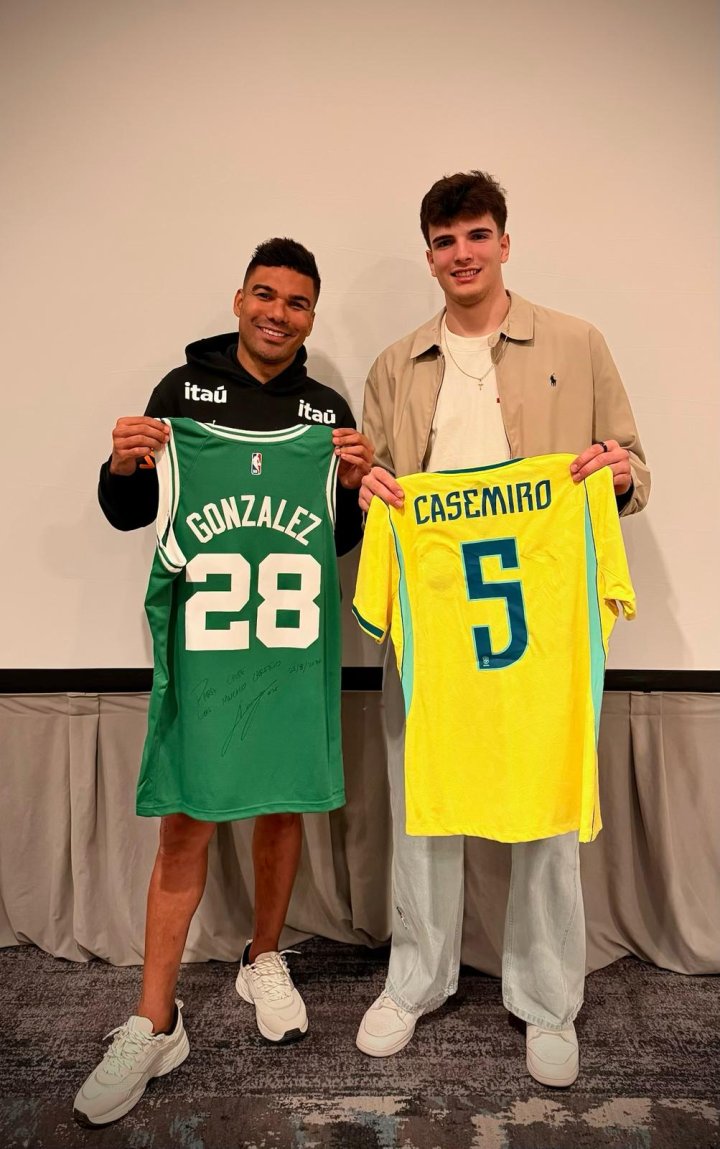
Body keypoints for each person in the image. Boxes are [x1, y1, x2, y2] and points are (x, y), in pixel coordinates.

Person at [356, 171, 649, 1087]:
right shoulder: (394, 366)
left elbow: (635, 467)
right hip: (435, 628)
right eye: (444, 242)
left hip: (545, 630)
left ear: (505, 242)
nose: (463, 254)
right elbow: (373, 489)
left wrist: (618, 474)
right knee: (423, 809)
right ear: (430, 255)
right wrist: (364, 492)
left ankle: (548, 998)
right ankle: (414, 981)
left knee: (548, 812)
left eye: (477, 235)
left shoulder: (577, 341)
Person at [74, 237, 372, 1127]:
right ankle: (152, 1017)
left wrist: (351, 488)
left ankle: (263, 956)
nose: (279, 313)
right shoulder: (183, 392)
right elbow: (133, 508)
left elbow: (335, 539)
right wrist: (124, 461)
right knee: (186, 826)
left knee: (281, 808)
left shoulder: (326, 412)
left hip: (287, 650)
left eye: (298, 303)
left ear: (312, 316)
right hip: (206, 656)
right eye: (265, 295)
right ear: (240, 298)